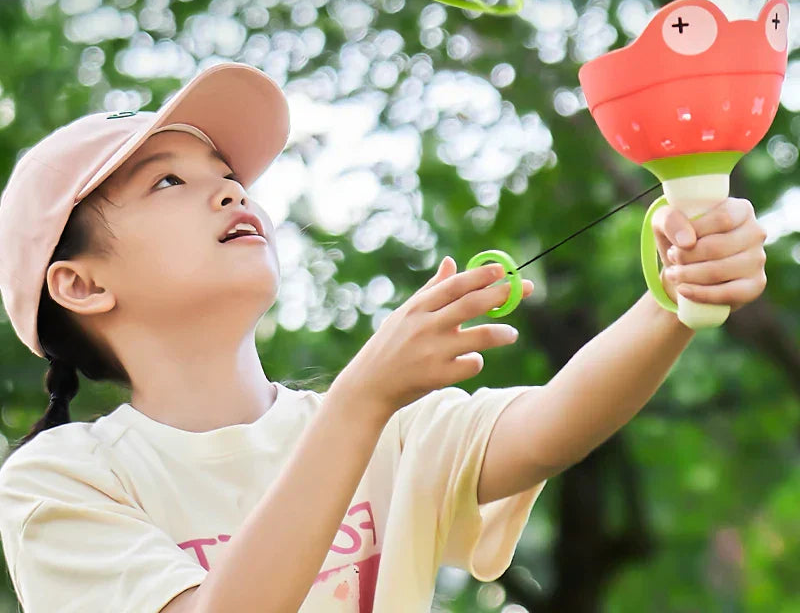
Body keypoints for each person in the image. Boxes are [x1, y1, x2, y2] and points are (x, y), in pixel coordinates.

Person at [0, 62, 767, 613]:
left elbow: (551, 424)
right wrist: (362, 399)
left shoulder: (389, 427)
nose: (231, 188)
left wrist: (678, 292)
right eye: (169, 181)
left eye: (225, 171)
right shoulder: (58, 482)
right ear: (81, 284)